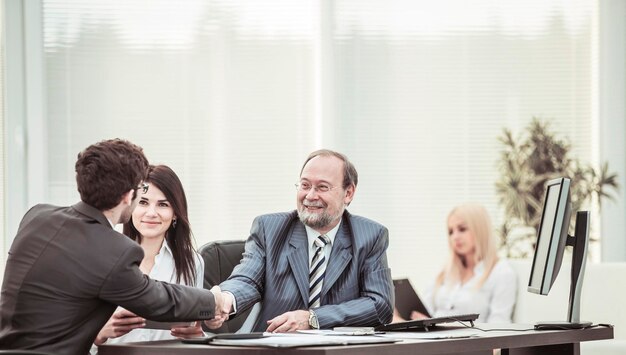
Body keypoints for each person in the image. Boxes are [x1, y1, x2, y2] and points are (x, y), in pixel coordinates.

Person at [0, 139, 224, 355]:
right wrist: (213, 301)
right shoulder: (114, 250)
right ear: (129, 196)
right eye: (141, 194)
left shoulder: (37, 217)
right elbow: (157, 300)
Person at [206, 149, 394, 332]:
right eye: (305, 185)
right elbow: (247, 279)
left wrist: (313, 318)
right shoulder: (269, 229)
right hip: (275, 348)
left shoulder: (370, 236)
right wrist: (225, 299)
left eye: (322, 187)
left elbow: (380, 305)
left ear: (348, 193)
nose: (310, 196)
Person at [91, 165, 206, 352]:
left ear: (175, 212)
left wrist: (196, 337)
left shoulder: (193, 262)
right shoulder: (101, 257)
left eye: (163, 204)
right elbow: (73, 337)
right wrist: (99, 333)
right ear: (130, 205)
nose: (151, 213)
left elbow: (195, 333)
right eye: (143, 202)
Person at [396, 203, 517, 323]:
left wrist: (438, 328)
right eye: (451, 232)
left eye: (462, 229)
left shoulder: (502, 273)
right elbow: (426, 310)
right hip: (432, 339)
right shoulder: (446, 271)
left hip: (466, 341)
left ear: (480, 230)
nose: (455, 237)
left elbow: (498, 328)